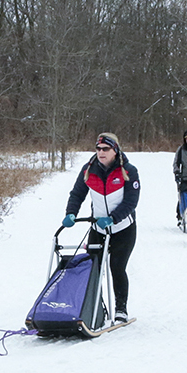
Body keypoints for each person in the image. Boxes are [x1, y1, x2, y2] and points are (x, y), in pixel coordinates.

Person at [62, 132, 140, 323]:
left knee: (117, 267)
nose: (101, 152)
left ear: (115, 150)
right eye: (98, 149)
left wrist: (113, 218)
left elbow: (131, 202)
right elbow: (77, 194)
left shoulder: (128, 171)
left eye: (105, 149)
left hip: (123, 229)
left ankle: (121, 308)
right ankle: (95, 307)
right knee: (92, 268)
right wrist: (70, 213)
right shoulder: (89, 170)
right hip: (98, 229)